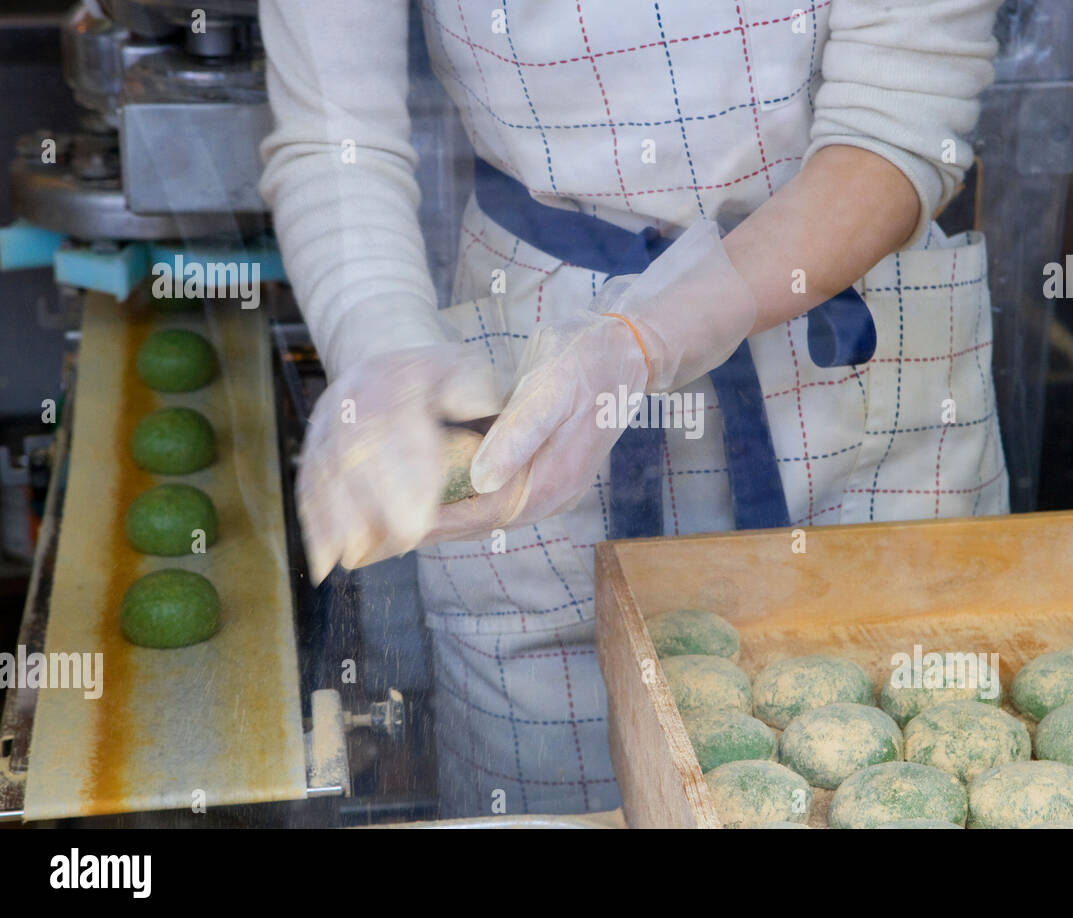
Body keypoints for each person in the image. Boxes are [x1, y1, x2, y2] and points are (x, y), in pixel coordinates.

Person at [258, 0, 1007, 818]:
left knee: (917, 778)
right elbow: (339, 140)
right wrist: (382, 345)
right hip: (530, 376)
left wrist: (643, 339)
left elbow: (899, 122)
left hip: (855, 349)